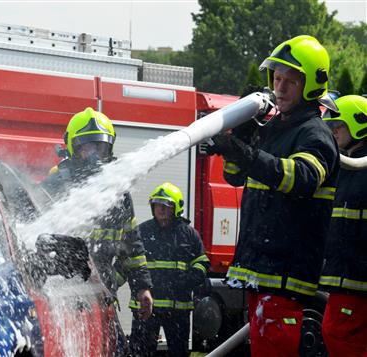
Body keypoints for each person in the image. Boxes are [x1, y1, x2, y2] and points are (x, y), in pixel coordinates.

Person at [208, 35, 340, 356]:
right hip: (261, 271)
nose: (279, 88)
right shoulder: (273, 128)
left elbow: (301, 179)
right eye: (276, 79)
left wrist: (246, 154)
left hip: (286, 273)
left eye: (290, 81)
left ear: (311, 85)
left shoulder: (315, 134)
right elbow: (234, 176)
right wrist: (239, 134)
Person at [41, 107, 153, 320]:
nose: (94, 156)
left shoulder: (118, 193)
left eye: (100, 149)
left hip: (103, 296)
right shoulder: (55, 185)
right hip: (64, 299)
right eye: (88, 148)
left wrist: (142, 288)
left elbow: (133, 248)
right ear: (73, 148)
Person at [124, 182, 209, 357]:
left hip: (177, 309)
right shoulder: (142, 232)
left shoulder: (189, 234)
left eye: (166, 205)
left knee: (179, 353)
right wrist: (111, 284)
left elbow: (202, 263)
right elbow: (127, 262)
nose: (161, 209)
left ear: (176, 208)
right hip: (146, 309)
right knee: (140, 353)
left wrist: (186, 281)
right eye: (157, 205)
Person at [320, 95, 367, 356]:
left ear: (359, 125)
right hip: (344, 275)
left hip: (356, 276)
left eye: (338, 127)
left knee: (338, 331)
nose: (333, 132)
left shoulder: (362, 169)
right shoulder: (343, 168)